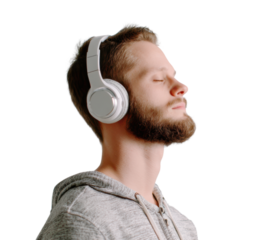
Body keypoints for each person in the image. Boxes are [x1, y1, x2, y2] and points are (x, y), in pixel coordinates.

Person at [36, 23, 198, 240]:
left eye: (175, 75)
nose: (182, 87)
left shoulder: (184, 225)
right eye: (158, 79)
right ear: (109, 100)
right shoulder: (82, 220)